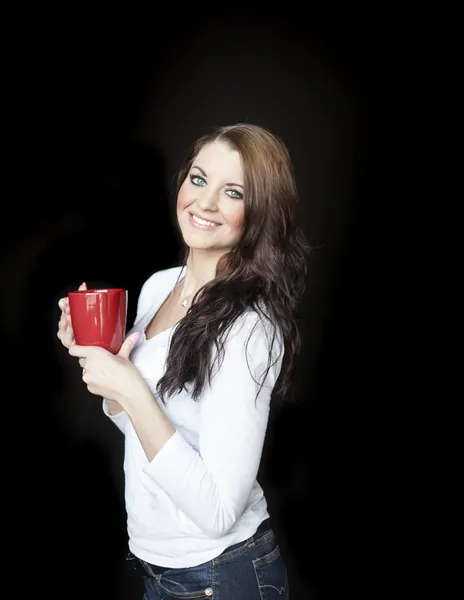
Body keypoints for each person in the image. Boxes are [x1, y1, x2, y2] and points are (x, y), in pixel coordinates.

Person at [57, 122, 309, 599]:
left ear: (259, 213)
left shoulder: (249, 328)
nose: (205, 202)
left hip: (221, 576)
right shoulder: (159, 286)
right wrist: (105, 363)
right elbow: (142, 429)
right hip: (164, 571)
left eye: (232, 192)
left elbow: (217, 513)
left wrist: (129, 386)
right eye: (198, 179)